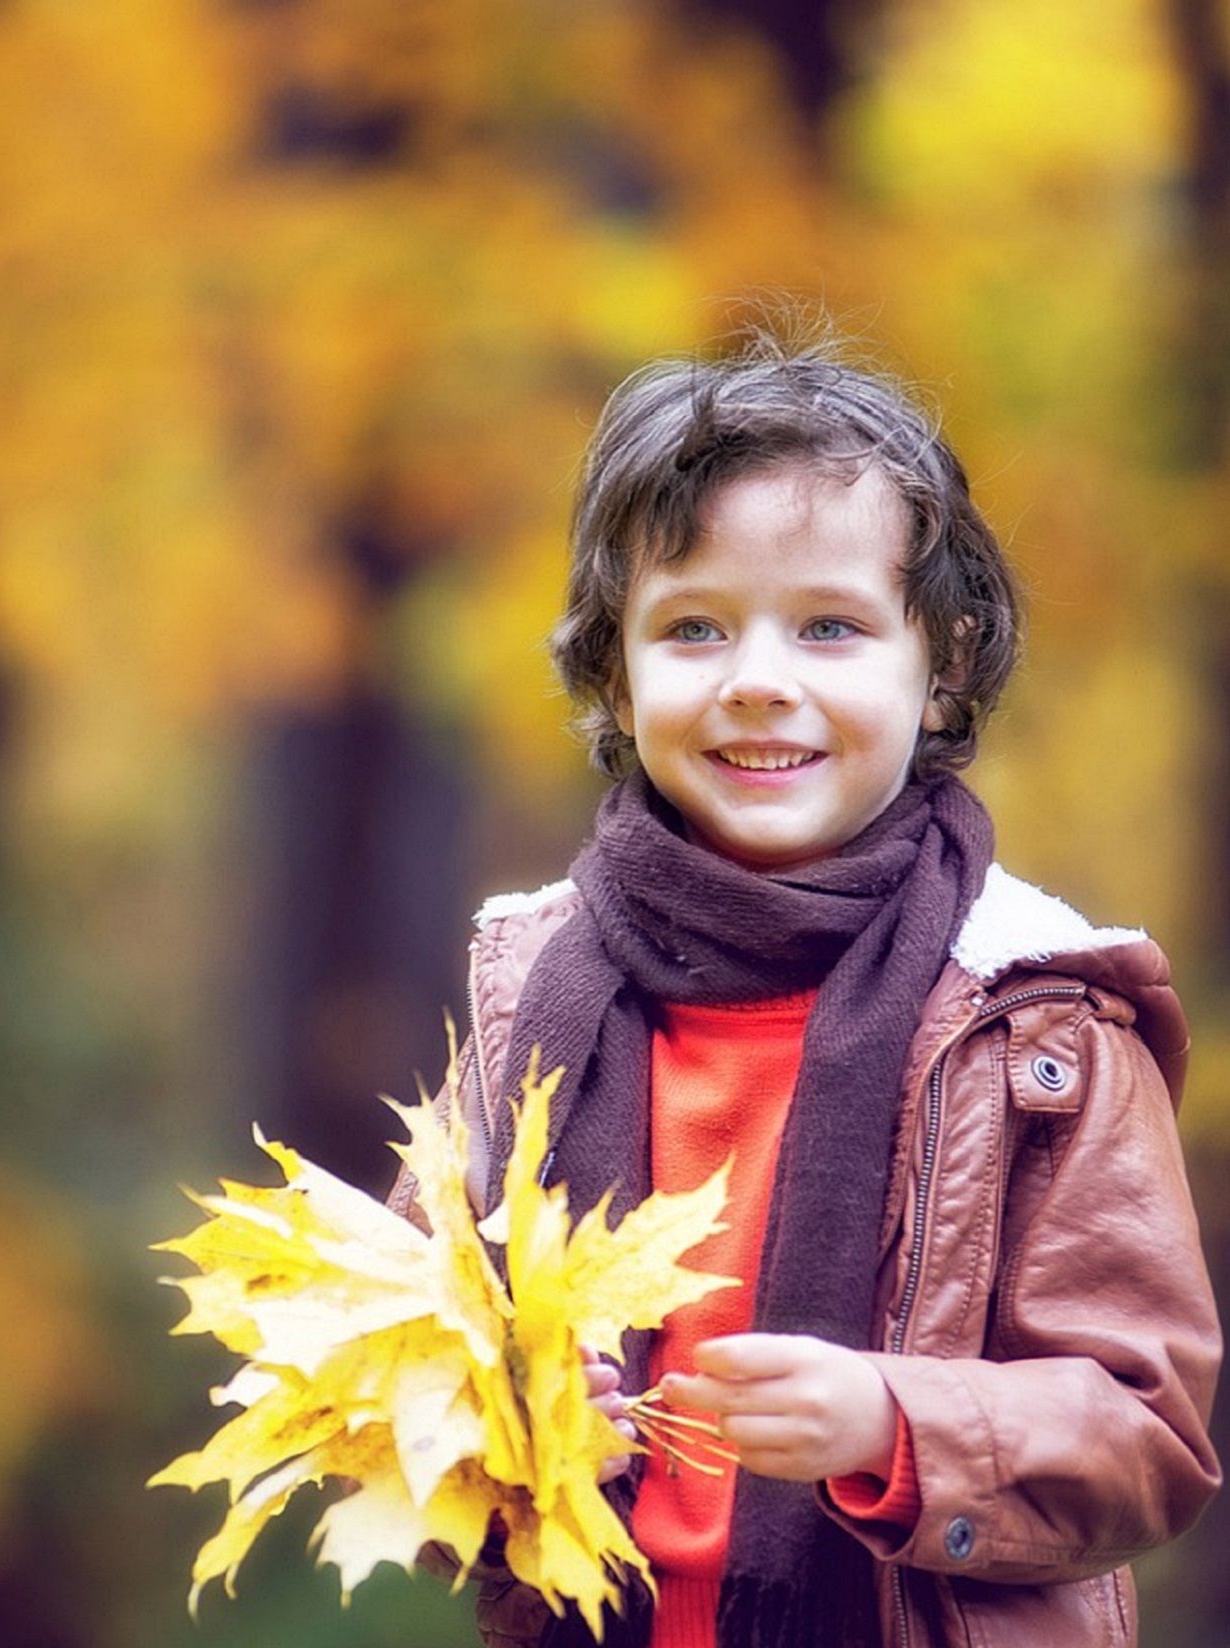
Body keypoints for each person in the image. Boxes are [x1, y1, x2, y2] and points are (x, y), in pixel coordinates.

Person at [389, 328, 1222, 1648]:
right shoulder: (528, 994)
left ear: (939, 662)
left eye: (830, 627)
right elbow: (395, 1351)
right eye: (695, 628)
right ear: (617, 667)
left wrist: (895, 1425)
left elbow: (1145, 1432)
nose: (759, 682)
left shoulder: (1033, 1019)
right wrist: (509, 1425)